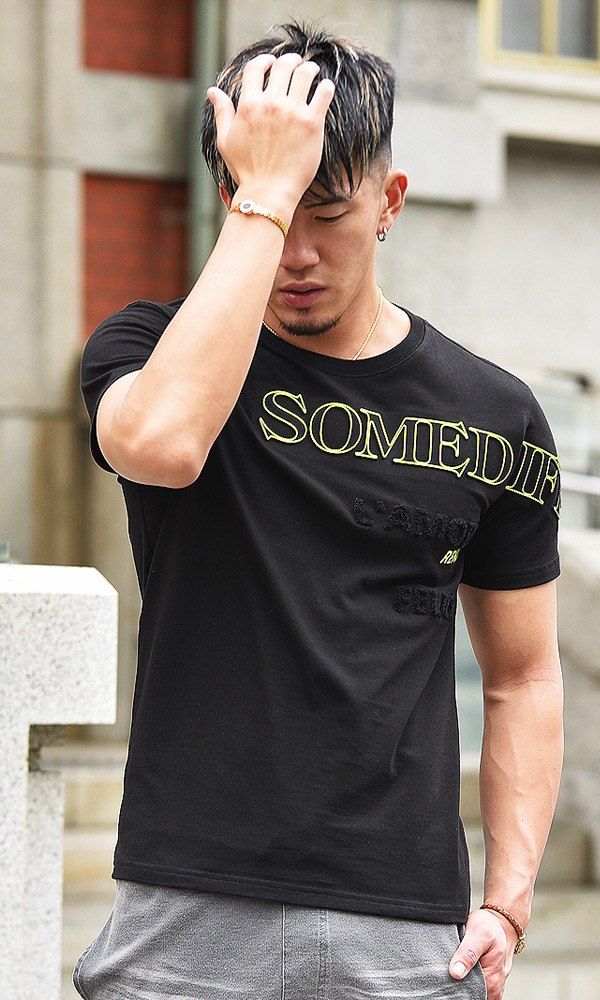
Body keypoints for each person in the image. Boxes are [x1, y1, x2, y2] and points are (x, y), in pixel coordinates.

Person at [74, 20, 563, 1000]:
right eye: (268, 209)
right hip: (189, 907)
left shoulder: (495, 413)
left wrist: (507, 902)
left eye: (327, 213)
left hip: (407, 928)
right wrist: (265, 189)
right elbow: (165, 444)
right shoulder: (148, 351)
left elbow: (523, 675)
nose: (295, 252)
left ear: (389, 202)